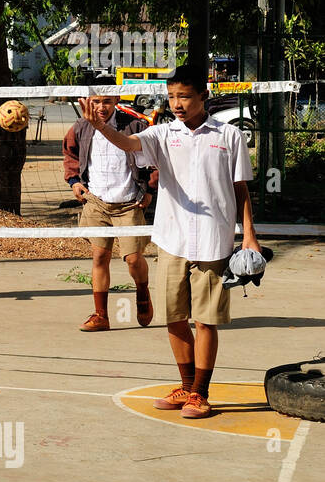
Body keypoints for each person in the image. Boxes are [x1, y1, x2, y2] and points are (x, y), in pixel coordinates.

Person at [78, 67, 261, 419]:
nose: (176, 104)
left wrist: (249, 236)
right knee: (174, 319)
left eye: (185, 97)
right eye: (172, 96)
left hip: (214, 242)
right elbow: (130, 144)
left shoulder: (229, 136)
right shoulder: (162, 133)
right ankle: (186, 385)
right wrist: (101, 126)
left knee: (206, 321)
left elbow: (241, 188)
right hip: (171, 240)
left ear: (203, 97)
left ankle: (200, 394)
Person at [62, 82, 157, 331]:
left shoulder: (135, 125)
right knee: (99, 256)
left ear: (116, 98)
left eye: (106, 101)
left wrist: (149, 190)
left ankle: (142, 293)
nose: (101, 106)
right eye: (96, 101)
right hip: (97, 202)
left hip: (129, 202)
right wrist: (74, 182)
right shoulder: (81, 127)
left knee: (134, 259)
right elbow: (70, 155)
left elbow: (156, 162)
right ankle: (100, 315)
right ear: (87, 102)